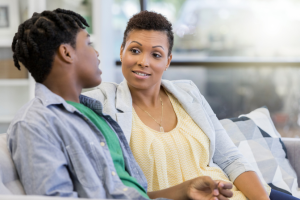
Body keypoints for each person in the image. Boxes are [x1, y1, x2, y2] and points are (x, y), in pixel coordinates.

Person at [7, 8, 233, 200]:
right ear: (67, 53)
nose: (96, 53)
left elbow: (128, 192)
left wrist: (184, 190)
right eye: (88, 44)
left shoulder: (93, 114)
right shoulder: (35, 123)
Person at [84, 11, 300, 200]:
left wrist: (262, 199)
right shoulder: (104, 101)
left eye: (156, 54)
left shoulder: (188, 93)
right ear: (121, 51)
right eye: (135, 50)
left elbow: (231, 159)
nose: (144, 61)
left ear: (168, 61)